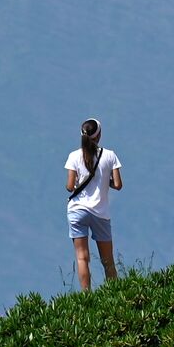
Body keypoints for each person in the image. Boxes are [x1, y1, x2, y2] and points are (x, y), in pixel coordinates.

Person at [64, 117, 123, 291]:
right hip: (100, 212)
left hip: (77, 210)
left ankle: (86, 297)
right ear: (99, 135)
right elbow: (118, 185)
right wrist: (105, 182)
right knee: (108, 260)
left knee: (82, 258)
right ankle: (114, 294)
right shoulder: (110, 155)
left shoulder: (74, 156)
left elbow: (69, 186)